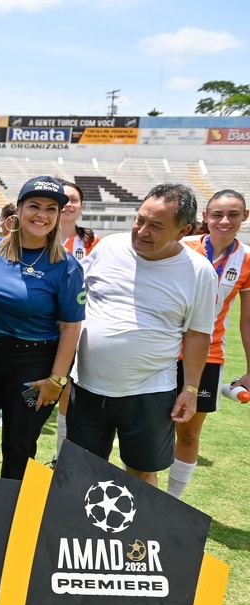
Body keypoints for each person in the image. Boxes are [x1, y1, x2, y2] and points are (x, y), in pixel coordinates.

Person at [67, 183, 216, 487]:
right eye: (140, 219)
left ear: (183, 230)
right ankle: (77, 533)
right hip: (87, 386)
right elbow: (73, 300)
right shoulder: (108, 247)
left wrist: (189, 388)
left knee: (141, 471)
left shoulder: (199, 272)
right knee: (82, 468)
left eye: (156, 226)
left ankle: (138, 535)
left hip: (149, 393)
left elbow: (198, 335)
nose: (142, 231)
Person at [0, 176, 85, 480]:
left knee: (19, 448)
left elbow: (71, 327)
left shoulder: (66, 266)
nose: (42, 215)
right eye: (34, 206)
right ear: (18, 210)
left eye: (52, 209)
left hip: (34, 364)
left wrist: (56, 380)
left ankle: (14, 523)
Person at [169, 190, 250, 496]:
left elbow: (247, 320)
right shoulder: (182, 246)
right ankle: (143, 497)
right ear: (204, 216)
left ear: (245, 216)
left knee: (188, 432)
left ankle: (172, 502)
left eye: (233, 214)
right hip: (162, 350)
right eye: (217, 214)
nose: (224, 221)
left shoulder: (247, 259)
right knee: (149, 428)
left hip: (207, 356)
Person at [51, 180, 99, 462]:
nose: (68, 205)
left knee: (69, 389)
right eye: (63, 199)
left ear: (81, 206)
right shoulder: (37, 234)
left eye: (74, 200)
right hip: (42, 324)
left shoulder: (93, 243)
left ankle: (60, 456)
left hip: (76, 325)